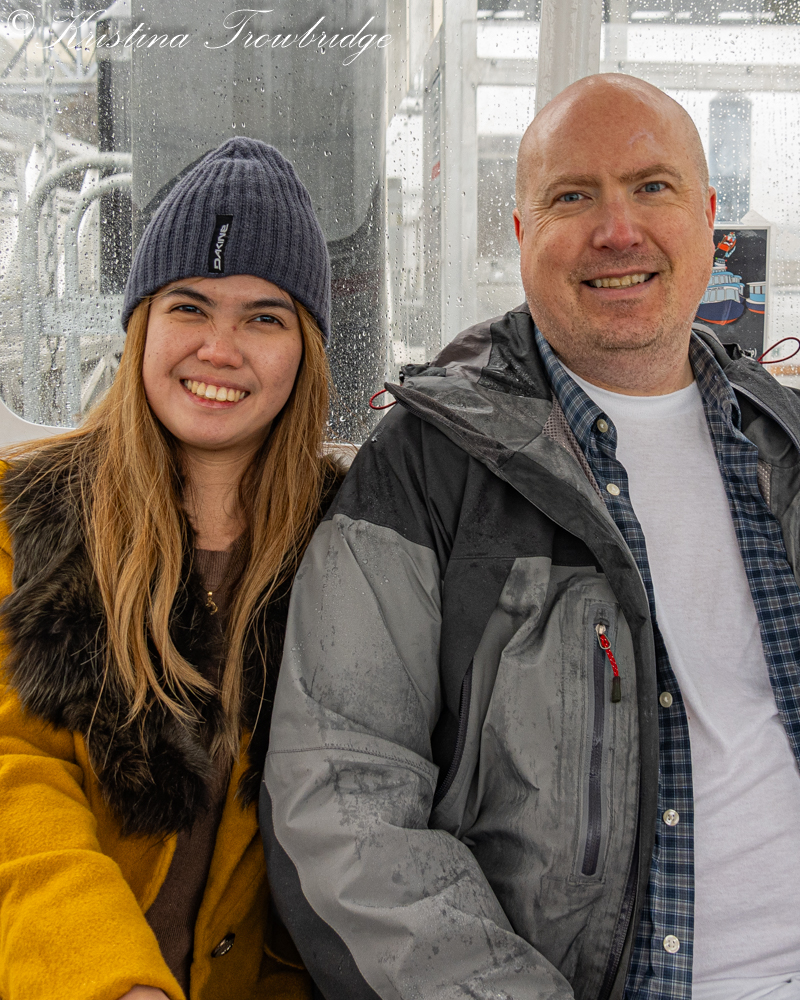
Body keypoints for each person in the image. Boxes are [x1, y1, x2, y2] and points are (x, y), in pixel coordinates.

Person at [262, 74, 800, 1000]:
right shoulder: (427, 468)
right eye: (572, 196)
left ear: (709, 218)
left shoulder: (782, 443)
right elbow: (343, 799)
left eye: (653, 187)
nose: (618, 230)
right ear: (521, 233)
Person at [0, 137, 341, 1000]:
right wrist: (111, 979)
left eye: (264, 317)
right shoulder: (20, 520)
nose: (219, 349)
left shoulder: (349, 545)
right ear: (142, 325)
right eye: (190, 307)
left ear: (304, 348)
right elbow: (13, 771)